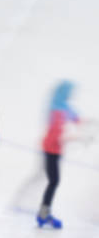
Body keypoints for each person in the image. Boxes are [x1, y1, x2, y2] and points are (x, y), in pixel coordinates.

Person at [37, 81, 80, 229]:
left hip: (54, 150)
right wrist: (74, 138)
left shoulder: (62, 107)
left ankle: (44, 213)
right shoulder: (57, 112)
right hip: (51, 150)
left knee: (54, 181)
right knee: (54, 181)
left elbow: (75, 117)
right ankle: (43, 214)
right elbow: (57, 136)